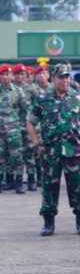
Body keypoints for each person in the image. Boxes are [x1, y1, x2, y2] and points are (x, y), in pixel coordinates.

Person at [26, 63, 80, 236]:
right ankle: (48, 223)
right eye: (61, 77)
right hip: (50, 153)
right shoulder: (43, 99)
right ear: (53, 79)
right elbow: (30, 122)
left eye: (67, 77)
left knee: (78, 188)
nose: (64, 80)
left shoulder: (78, 97)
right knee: (49, 188)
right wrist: (36, 144)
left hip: (74, 152)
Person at [0, 64, 28, 194]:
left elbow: (24, 110)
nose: (5, 77)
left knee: (17, 156)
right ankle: (3, 181)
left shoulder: (17, 91)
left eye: (7, 74)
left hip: (14, 130)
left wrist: (21, 127)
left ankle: (18, 183)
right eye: (3, 74)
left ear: (11, 76)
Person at [13, 64, 38, 191]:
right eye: (17, 74)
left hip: (28, 125)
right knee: (17, 154)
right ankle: (18, 182)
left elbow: (37, 107)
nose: (20, 76)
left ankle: (32, 180)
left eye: (22, 74)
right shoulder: (11, 89)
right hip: (14, 126)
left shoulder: (31, 89)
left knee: (30, 153)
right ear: (14, 75)